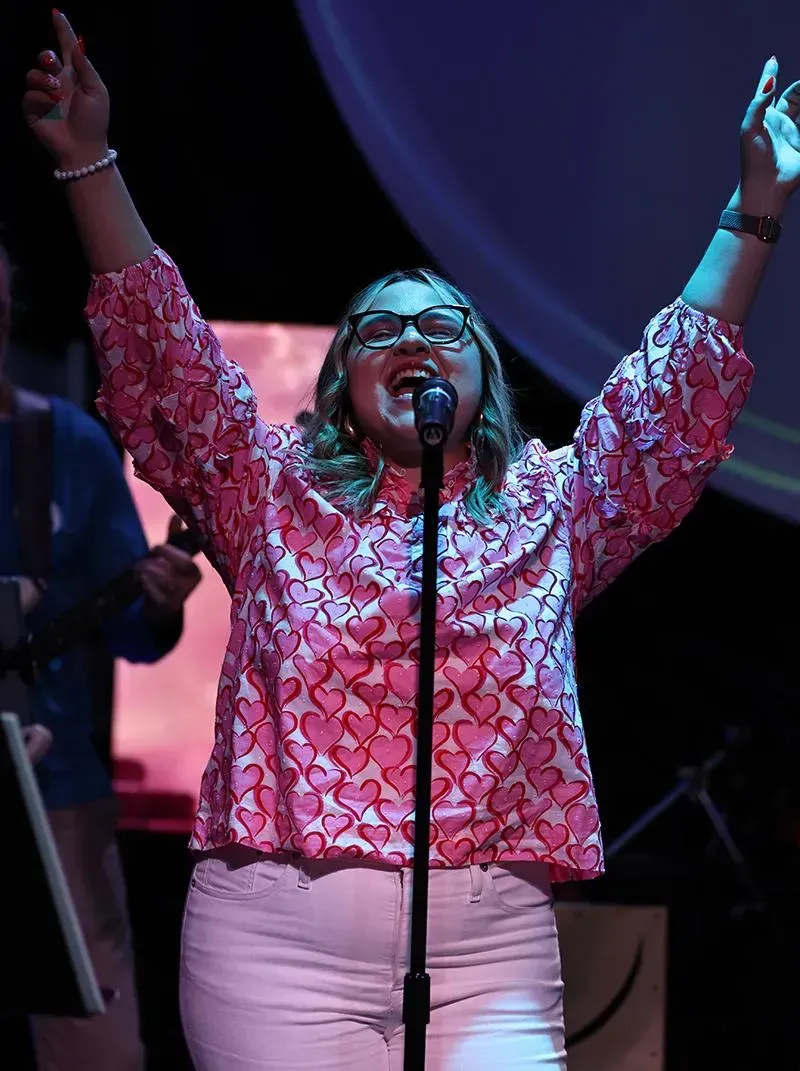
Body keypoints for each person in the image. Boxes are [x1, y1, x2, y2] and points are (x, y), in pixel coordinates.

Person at [21, 12, 799, 1070]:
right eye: (378, 329)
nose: (410, 338)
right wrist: (90, 164)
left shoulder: (551, 507)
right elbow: (166, 354)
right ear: (341, 391)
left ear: (479, 374)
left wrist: (752, 212)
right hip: (274, 948)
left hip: (491, 952)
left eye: (440, 325)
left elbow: (671, 397)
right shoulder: (267, 492)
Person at [0, 238, 202, 1070]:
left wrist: (155, 603)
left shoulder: (68, 447)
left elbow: (127, 630)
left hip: (55, 799)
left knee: (96, 1048)